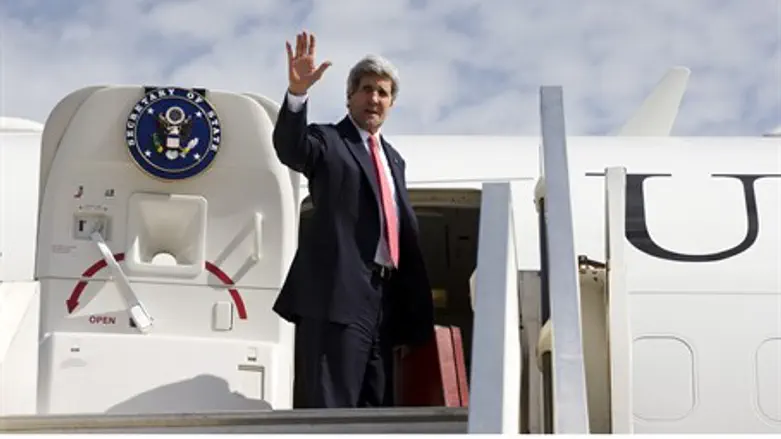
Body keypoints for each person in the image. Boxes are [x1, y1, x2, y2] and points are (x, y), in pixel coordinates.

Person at [271, 31, 435, 409]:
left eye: (382, 92)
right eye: (366, 89)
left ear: (391, 103)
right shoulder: (329, 141)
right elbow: (291, 148)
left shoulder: (395, 161)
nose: (374, 98)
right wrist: (297, 93)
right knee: (332, 409)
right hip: (336, 298)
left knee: (375, 411)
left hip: (383, 303)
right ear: (350, 96)